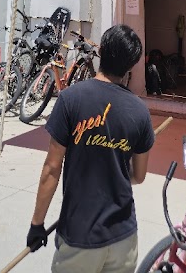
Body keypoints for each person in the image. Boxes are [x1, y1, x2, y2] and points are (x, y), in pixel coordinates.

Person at [27, 23, 155, 272]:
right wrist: (114, 168)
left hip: (80, 238)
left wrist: (36, 224)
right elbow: (138, 176)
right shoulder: (140, 112)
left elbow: (52, 169)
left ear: (101, 51)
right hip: (123, 240)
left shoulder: (70, 99)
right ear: (130, 66)